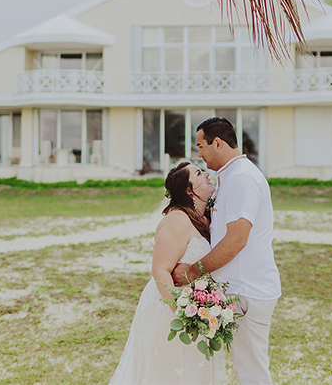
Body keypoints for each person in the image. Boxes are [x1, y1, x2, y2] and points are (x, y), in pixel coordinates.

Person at [173, 117, 281, 385]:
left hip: (249, 290)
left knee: (252, 372)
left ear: (217, 143)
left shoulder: (242, 178)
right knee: (246, 368)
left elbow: (236, 240)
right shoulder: (230, 177)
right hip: (239, 288)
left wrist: (192, 270)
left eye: (200, 146)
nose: (198, 153)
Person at [108, 161, 225, 384]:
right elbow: (159, 270)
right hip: (171, 309)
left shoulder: (206, 218)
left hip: (200, 307)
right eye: (199, 173)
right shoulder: (177, 220)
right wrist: (182, 314)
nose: (207, 175)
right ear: (189, 190)